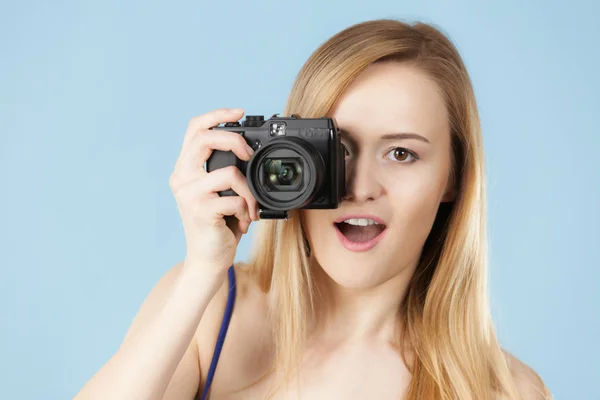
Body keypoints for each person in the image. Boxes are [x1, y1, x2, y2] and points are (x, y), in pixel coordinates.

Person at [74, 19, 552, 400]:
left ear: (453, 179)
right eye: (337, 149)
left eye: (402, 153)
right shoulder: (209, 310)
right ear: (288, 158)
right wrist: (202, 270)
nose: (361, 188)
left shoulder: (504, 391)